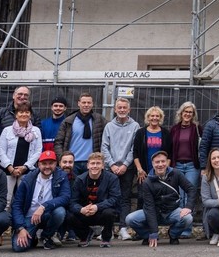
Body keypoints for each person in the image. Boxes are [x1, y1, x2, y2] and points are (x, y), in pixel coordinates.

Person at [126, 151, 196, 247]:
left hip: (171, 212)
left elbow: (191, 189)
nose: (160, 165)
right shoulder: (147, 182)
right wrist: (153, 232)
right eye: (157, 162)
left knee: (188, 218)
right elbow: (149, 208)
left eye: (163, 161)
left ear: (167, 162)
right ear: (152, 164)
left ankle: (173, 234)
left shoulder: (176, 173)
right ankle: (148, 236)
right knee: (130, 219)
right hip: (153, 213)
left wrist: (188, 207)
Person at [10, 150, 71, 252]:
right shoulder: (28, 179)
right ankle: (32, 236)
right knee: (18, 247)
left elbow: (65, 197)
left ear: (56, 164)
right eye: (44, 164)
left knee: (60, 212)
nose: (47, 167)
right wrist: (20, 228)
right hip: (29, 217)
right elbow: (17, 205)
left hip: (47, 213)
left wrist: (43, 206)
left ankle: (46, 236)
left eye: (51, 163)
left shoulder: (61, 176)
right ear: (38, 164)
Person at [101, 97, 139, 241]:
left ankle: (123, 228)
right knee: (108, 198)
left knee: (125, 198)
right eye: (119, 108)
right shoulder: (109, 126)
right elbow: (104, 147)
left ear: (129, 109)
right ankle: (107, 229)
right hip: (110, 168)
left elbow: (134, 148)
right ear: (115, 109)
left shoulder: (135, 126)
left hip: (127, 168)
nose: (122, 110)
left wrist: (125, 165)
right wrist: (111, 164)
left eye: (125, 107)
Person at [67, 152, 121, 248]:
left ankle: (106, 237)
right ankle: (85, 235)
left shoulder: (112, 178)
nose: (95, 166)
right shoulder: (79, 179)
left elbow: (115, 198)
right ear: (87, 165)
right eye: (92, 163)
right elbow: (73, 201)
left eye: (98, 163)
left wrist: (97, 207)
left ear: (103, 166)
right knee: (69, 215)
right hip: (85, 212)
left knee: (110, 212)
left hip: (102, 211)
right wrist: (81, 209)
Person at [0, 102, 43, 209]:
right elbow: (1, 150)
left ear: (30, 115)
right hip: (8, 170)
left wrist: (25, 167)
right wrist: (10, 167)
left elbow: (38, 151)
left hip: (27, 170)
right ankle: (5, 223)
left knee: (24, 199)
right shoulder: (7, 130)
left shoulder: (36, 131)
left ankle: (20, 223)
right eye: (21, 112)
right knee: (6, 200)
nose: (24, 114)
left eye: (27, 112)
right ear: (16, 115)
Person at [54, 92, 106, 175]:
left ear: (92, 104)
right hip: (72, 163)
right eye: (84, 102)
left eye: (89, 103)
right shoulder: (68, 121)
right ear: (79, 103)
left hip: (92, 163)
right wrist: (62, 159)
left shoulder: (99, 120)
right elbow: (58, 142)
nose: (86, 105)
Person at [170, 100, 201, 233]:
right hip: (177, 165)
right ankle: (178, 227)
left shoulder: (197, 128)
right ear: (181, 113)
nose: (187, 114)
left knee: (189, 195)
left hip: (191, 166)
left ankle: (187, 229)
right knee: (179, 196)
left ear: (193, 114)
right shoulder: (174, 129)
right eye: (185, 112)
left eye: (190, 112)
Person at [133, 106, 172, 184]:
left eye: (157, 116)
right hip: (144, 172)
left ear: (160, 118)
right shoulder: (140, 133)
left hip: (161, 171)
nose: (155, 118)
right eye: (152, 116)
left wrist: (165, 170)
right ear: (148, 118)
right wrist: (140, 170)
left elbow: (170, 154)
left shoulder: (166, 133)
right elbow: (135, 153)